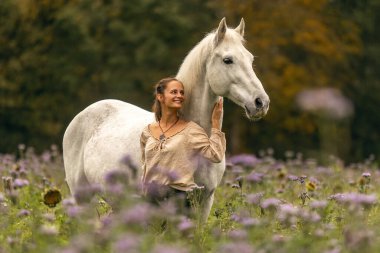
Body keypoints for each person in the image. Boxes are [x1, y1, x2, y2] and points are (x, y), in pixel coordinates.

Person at [140, 77, 226, 212]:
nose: (179, 96)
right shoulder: (147, 131)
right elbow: (145, 165)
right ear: (160, 97)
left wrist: (216, 124)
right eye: (174, 92)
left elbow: (215, 155)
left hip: (178, 199)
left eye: (181, 93)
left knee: (174, 234)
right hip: (150, 199)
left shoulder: (191, 130)